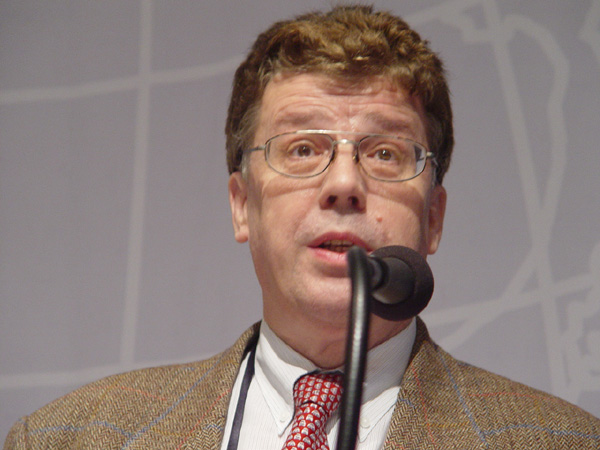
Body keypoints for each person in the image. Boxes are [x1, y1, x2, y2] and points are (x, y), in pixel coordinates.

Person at [4, 5, 599, 450]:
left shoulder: (563, 442)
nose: (343, 183)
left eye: (385, 153)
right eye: (303, 149)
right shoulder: (67, 438)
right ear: (242, 205)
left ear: (434, 218)